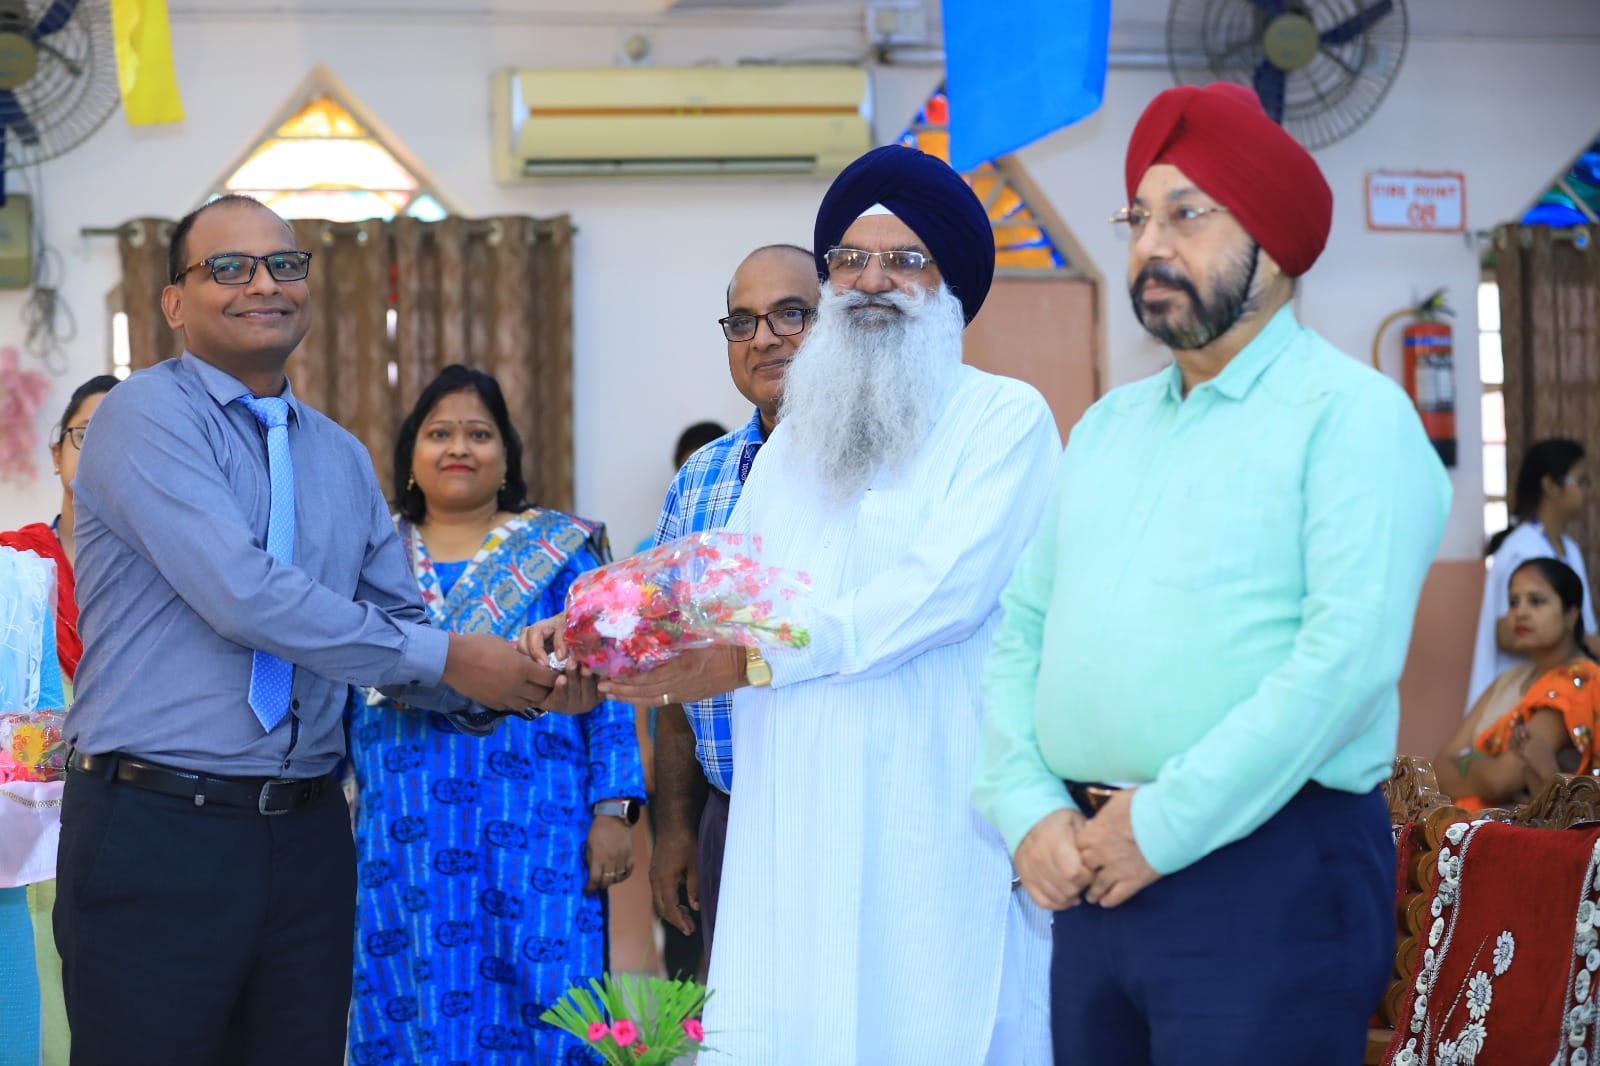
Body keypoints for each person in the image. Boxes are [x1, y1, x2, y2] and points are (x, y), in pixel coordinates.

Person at [533, 145, 1062, 1064]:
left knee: (931, 1020)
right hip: (789, 817)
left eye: (905, 261)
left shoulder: (1003, 420)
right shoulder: (793, 446)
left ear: (950, 290)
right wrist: (595, 629)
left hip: (932, 818)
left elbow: (935, 595)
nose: (870, 281)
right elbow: (717, 585)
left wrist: (752, 658)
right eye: (851, 260)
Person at [972, 82, 1451, 1064]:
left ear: (1270, 246)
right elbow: (1022, 626)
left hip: (1269, 872)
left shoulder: (1348, 417)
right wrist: (1027, 808)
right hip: (1094, 868)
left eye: (1186, 215)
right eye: (1138, 218)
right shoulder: (1106, 428)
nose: (1151, 246)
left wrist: (1165, 822)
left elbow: (1344, 660)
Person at [56, 194, 585, 1066]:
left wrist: (521, 675)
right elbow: (244, 594)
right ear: (174, 302)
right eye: (229, 268)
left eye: (284, 265)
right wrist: (457, 657)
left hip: (305, 838)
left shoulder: (337, 454)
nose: (263, 283)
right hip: (156, 828)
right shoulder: (144, 417)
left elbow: (396, 627)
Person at [347, 364, 644, 1064]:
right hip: (400, 836)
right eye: (439, 432)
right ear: (411, 456)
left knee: (546, 995)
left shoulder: (562, 552)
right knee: (408, 1003)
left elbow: (609, 689)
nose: (459, 447)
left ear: (506, 455)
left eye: (479, 433)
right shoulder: (371, 558)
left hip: (539, 827)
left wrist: (614, 811)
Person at [648, 243, 819, 976]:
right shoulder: (704, 477)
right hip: (731, 813)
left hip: (847, 806)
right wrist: (678, 829)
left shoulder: (888, 462)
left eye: (791, 314)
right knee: (744, 1033)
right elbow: (674, 670)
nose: (766, 337)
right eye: (743, 321)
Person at [0, 373, 117, 1066]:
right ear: (55, 453)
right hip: (25, 827)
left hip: (128, 823)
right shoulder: (13, 572)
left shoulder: (171, 579)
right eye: (85, 433)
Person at [1437, 557, 1598, 808]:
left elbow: (1501, 780)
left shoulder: (1578, 681)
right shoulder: (1510, 680)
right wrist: (1485, 771)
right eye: (1514, 602)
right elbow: (1437, 767)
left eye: (1537, 601)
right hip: (1467, 831)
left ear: (1571, 615)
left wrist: (1466, 760)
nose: (1520, 612)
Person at [1468, 438, 1596, 712]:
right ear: (1551, 486)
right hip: (1517, 693)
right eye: (1581, 481)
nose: (1588, 491)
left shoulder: (1569, 548)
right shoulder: (1522, 549)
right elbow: (1506, 632)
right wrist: (1580, 640)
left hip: (1560, 685)